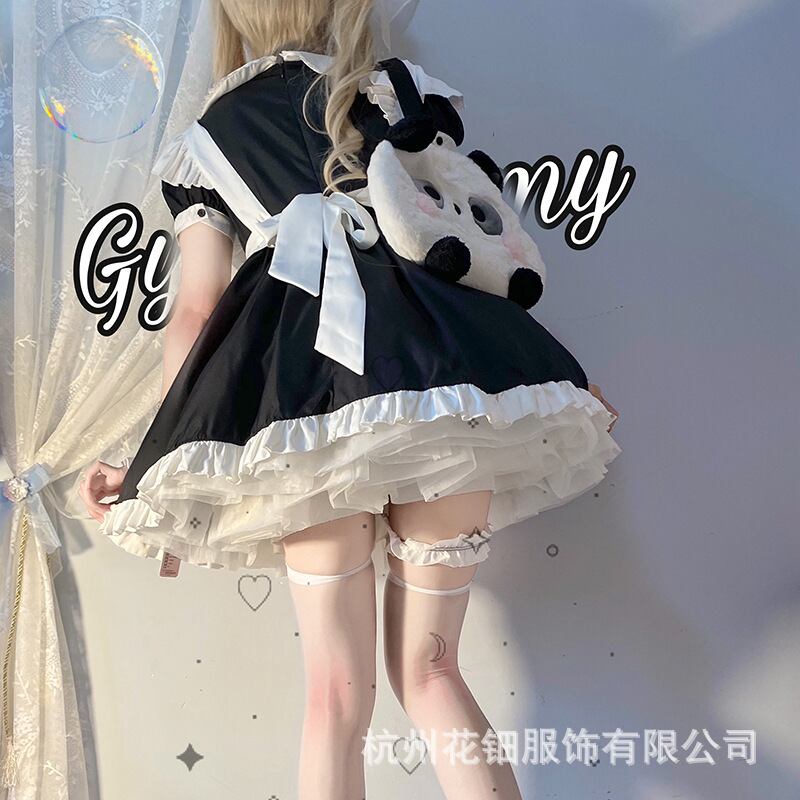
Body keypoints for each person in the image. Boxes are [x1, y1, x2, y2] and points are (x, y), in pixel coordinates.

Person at [79, 1, 621, 797]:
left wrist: (150, 465)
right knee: (433, 670)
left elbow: (193, 316)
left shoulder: (208, 137)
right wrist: (550, 375)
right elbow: (470, 241)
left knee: (334, 699)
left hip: (306, 406)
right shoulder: (398, 93)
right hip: (441, 380)